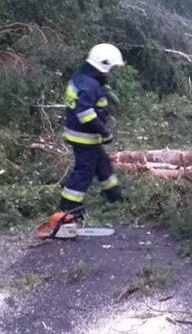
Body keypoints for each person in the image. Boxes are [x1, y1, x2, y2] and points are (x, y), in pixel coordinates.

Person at [50, 43, 127, 225]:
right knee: (84, 171)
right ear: (103, 65)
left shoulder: (81, 78)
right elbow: (85, 114)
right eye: (112, 69)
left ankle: (114, 195)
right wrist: (104, 131)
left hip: (82, 134)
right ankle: (68, 208)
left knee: (102, 163)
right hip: (84, 137)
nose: (112, 73)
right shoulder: (90, 86)